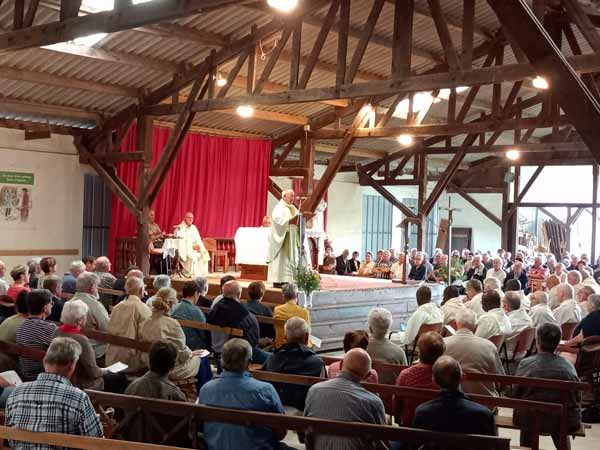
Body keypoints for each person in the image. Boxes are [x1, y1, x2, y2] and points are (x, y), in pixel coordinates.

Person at [5, 337, 103, 447]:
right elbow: (96, 442)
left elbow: (10, 437)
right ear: (72, 365)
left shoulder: (16, 393)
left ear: (44, 361)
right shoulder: (78, 398)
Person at [199, 339, 289, 450]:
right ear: (249, 362)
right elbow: (281, 433)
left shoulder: (206, 389)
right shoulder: (265, 390)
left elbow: (201, 426)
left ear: (222, 360)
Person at [513, 323, 581, 449]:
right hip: (563, 421)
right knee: (559, 416)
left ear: (538, 341)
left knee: (529, 412)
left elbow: (516, 393)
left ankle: (527, 448)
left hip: (529, 419)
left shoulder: (525, 364)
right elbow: (576, 397)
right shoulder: (568, 366)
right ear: (558, 343)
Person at [304, 348, 387, 450]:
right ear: (368, 375)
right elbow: (381, 439)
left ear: (340, 365)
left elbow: (306, 430)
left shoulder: (314, 390)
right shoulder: (374, 402)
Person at [54, 300, 128, 393]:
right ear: (80, 320)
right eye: (85, 316)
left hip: (61, 377)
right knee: (120, 377)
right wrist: (109, 369)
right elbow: (94, 373)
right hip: (82, 383)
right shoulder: (81, 340)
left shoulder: (57, 331)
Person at [124, 340, 188, 446]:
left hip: (134, 443)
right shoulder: (175, 395)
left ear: (149, 361)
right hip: (164, 445)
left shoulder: (132, 387)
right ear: (173, 366)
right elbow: (184, 432)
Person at [413, 356, 496, 437]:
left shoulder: (422, 412)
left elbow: (416, 442)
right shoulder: (484, 414)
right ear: (462, 377)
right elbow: (492, 443)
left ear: (434, 381)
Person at [140, 287, 205, 383]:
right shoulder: (172, 324)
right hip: (170, 368)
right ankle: (203, 390)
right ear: (171, 303)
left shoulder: (146, 322)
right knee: (202, 359)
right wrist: (191, 353)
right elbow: (182, 354)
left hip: (150, 364)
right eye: (176, 300)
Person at [262, 317, 324, 411]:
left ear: (285, 337)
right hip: (303, 410)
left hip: (274, 408)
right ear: (307, 337)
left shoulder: (272, 358)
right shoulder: (316, 362)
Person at [444, 309, 504, 397]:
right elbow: (500, 380)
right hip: (484, 400)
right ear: (476, 327)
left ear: (454, 325)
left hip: (451, 400)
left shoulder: (443, 344)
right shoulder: (489, 346)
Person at [207, 280, 265, 364]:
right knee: (271, 358)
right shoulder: (243, 313)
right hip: (237, 355)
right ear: (239, 294)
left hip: (216, 351)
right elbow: (254, 340)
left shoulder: (215, 308)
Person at [395, 332, 445, 426]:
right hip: (437, 428)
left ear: (419, 352)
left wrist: (399, 421)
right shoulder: (446, 376)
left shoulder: (406, 375)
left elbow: (397, 405)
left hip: (410, 427)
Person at [106, 276, 152, 372]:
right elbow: (146, 335)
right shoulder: (143, 308)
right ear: (141, 290)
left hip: (112, 356)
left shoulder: (117, 307)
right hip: (130, 360)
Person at [16, 289, 57, 381]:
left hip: (23, 374)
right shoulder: (50, 328)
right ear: (45, 308)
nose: (52, 305)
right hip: (41, 376)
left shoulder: (22, 325)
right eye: (51, 303)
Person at [70, 272, 109, 359]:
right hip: (93, 349)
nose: (97, 289)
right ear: (92, 288)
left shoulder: (70, 302)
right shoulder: (95, 305)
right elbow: (107, 328)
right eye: (97, 286)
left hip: (72, 346)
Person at [366, 307, 407, 384]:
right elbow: (405, 377)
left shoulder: (362, 349)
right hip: (391, 391)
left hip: (365, 390)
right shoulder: (399, 352)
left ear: (370, 328)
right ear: (388, 328)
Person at [267, 189, 300, 285]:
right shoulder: (279, 207)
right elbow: (277, 219)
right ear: (284, 196)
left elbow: (297, 219)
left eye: (293, 196)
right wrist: (288, 222)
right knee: (282, 260)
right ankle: (279, 280)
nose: (293, 198)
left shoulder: (293, 208)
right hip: (282, 238)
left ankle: (289, 280)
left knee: (289, 260)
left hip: (291, 237)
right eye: (291, 196)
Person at [171, 281, 208, 351]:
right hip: (192, 348)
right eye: (198, 295)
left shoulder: (174, 307)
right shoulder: (195, 310)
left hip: (176, 345)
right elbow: (205, 332)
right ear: (195, 294)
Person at [272, 283, 310, 349]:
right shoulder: (304, 312)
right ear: (297, 295)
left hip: (281, 345)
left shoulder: (277, 310)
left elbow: (276, 328)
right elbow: (308, 332)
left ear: (283, 296)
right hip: (300, 347)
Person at [174, 212, 210, 277]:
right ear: (185, 218)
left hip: (195, 247)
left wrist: (200, 247)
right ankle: (192, 272)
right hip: (186, 248)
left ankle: (201, 272)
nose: (191, 219)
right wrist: (191, 246)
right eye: (189, 218)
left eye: (192, 218)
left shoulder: (194, 227)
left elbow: (198, 239)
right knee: (193, 255)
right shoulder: (180, 227)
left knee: (204, 253)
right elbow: (181, 240)